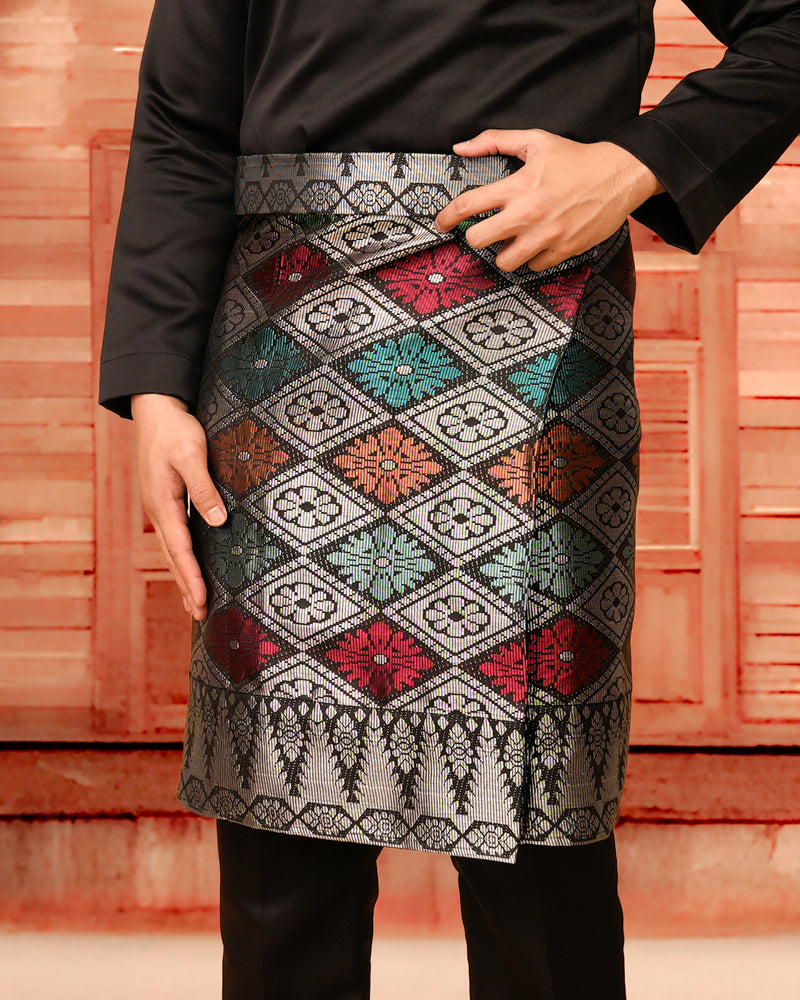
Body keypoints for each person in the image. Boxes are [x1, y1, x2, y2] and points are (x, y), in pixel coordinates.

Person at [98, 2, 800, 998]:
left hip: (535, 332)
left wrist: (636, 163)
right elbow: (184, 114)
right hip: (283, 352)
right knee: (279, 843)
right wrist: (156, 388)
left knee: (539, 861)